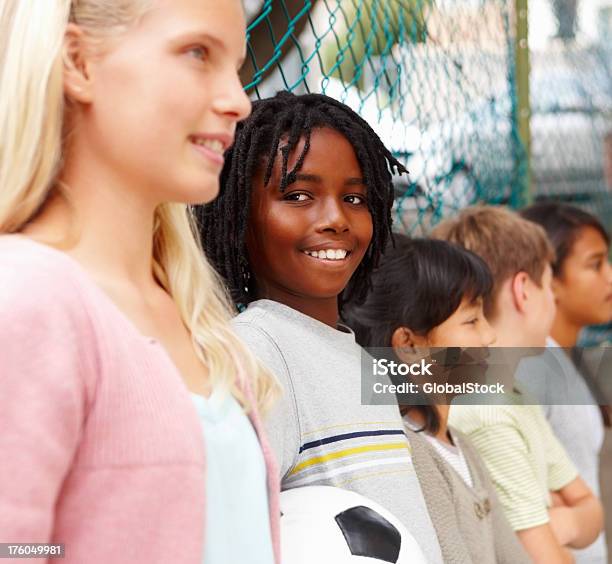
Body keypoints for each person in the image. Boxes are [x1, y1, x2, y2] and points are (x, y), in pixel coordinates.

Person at [0, 2, 280, 563]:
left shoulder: (192, 315)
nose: (238, 100)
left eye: (237, 66)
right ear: (78, 63)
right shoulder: (27, 297)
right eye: (197, 53)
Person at [197, 91, 444, 563]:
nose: (335, 218)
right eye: (298, 196)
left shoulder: (350, 353)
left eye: (354, 197)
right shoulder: (257, 352)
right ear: (238, 218)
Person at [343, 234, 531, 564]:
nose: (490, 335)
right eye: (471, 321)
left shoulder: (460, 446)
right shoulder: (409, 454)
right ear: (409, 346)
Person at [432, 205, 604, 564]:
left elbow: (593, 514)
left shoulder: (514, 395)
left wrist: (558, 524)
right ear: (524, 290)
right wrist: (561, 525)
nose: (553, 300)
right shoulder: (488, 411)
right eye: (547, 285)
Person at [520, 201, 612, 564]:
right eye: (595, 264)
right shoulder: (532, 366)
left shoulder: (562, 358)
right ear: (549, 278)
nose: (609, 276)